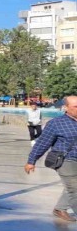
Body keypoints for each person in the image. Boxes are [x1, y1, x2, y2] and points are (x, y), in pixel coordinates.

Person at [24, 95, 77, 223]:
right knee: (74, 188)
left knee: (71, 187)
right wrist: (31, 161)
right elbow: (43, 143)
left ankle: (59, 209)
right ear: (66, 108)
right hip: (65, 160)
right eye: (76, 106)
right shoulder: (56, 123)